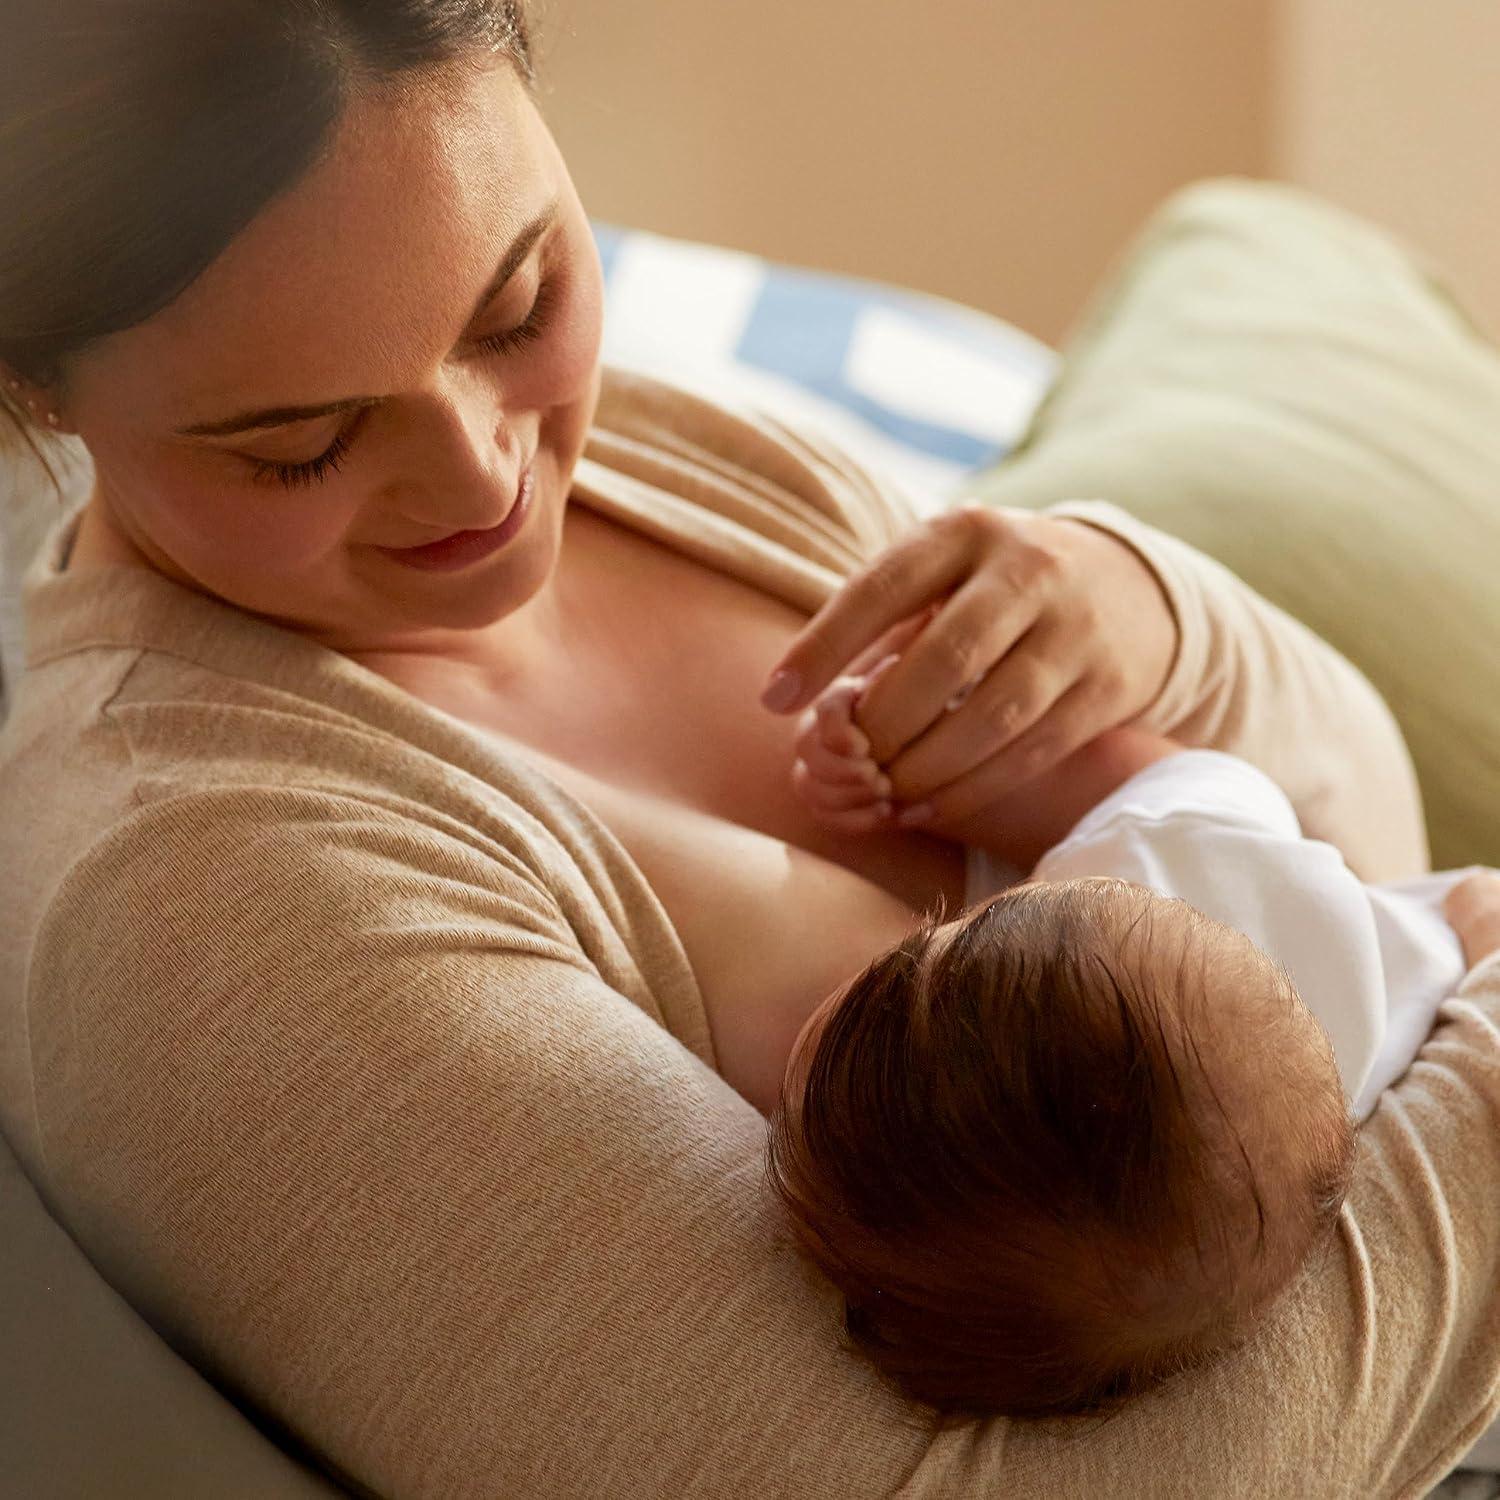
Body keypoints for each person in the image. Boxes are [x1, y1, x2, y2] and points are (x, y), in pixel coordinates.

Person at [0, 4, 1497, 1496]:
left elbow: (1365, 839)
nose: (482, 471)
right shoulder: (205, 903)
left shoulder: (679, 456)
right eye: (299, 444)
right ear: (42, 386)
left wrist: (1160, 621)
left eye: (517, 307)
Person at [755, 687, 1500, 1420]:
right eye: (913, 959)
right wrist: (900, 772)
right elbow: (1112, 763)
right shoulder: (1171, 846)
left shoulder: (1267, 1181)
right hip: (1456, 937)